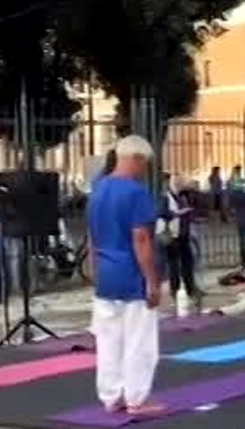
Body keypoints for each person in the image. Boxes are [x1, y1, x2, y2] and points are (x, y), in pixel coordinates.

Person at [88, 136, 164, 416]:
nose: (145, 170)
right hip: (130, 274)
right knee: (139, 341)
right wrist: (152, 281)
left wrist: (96, 271)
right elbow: (141, 239)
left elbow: (92, 236)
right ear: (137, 159)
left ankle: (110, 396)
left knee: (108, 341)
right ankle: (136, 398)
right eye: (145, 164)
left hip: (106, 274)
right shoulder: (136, 193)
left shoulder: (98, 189)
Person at [160, 174, 200, 305]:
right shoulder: (166, 197)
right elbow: (162, 212)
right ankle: (175, 289)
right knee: (174, 265)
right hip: (172, 234)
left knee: (187, 262)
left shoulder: (182, 196)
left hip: (183, 233)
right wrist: (177, 213)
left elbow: (194, 193)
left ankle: (190, 288)